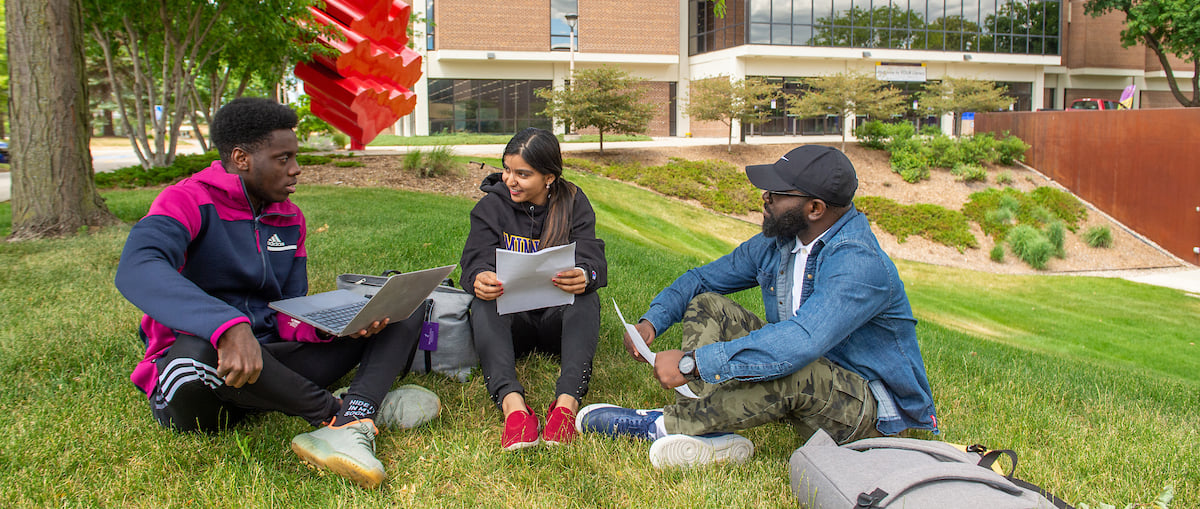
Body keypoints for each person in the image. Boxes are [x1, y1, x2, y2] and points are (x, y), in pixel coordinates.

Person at [114, 98, 439, 489]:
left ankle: (358, 411)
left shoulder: (289, 217)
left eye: (295, 157)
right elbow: (138, 267)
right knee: (196, 354)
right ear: (241, 158)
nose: (295, 169)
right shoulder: (186, 200)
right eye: (283, 158)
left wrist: (335, 326)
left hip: (271, 365)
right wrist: (228, 327)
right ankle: (337, 417)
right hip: (207, 379)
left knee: (405, 302)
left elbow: (285, 312)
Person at [575, 145, 938, 468]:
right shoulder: (783, 240)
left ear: (815, 208)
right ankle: (706, 424)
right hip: (811, 373)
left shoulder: (859, 263)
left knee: (794, 365)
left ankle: (662, 426)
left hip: (872, 414)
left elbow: (799, 343)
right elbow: (701, 280)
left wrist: (693, 363)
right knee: (708, 304)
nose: (765, 197)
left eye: (777, 193)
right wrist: (652, 321)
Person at [459, 127, 607, 451]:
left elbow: (593, 257)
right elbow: (473, 260)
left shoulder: (574, 202)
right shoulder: (491, 207)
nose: (510, 180)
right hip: (514, 326)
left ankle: (566, 406)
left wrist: (585, 274)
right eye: (507, 169)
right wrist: (479, 277)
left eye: (522, 174)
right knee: (482, 303)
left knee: (588, 299)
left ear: (549, 177)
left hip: (558, 323)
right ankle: (515, 409)